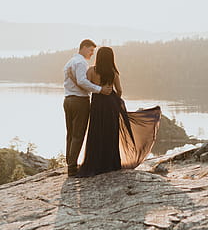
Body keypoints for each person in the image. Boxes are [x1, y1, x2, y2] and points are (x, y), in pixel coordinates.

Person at [76, 46, 161, 178]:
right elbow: (119, 90)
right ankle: (110, 164)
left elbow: (87, 86)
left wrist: (98, 89)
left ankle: (94, 163)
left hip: (97, 105)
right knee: (110, 133)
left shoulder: (91, 71)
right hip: (110, 105)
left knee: (96, 132)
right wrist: (115, 100)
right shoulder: (113, 72)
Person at [63, 39, 112, 176]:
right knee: (78, 135)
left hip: (68, 100)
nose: (91, 54)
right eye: (91, 50)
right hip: (79, 101)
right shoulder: (81, 62)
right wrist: (99, 89)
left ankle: (70, 163)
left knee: (70, 134)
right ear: (84, 48)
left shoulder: (70, 62)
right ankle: (72, 168)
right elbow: (82, 81)